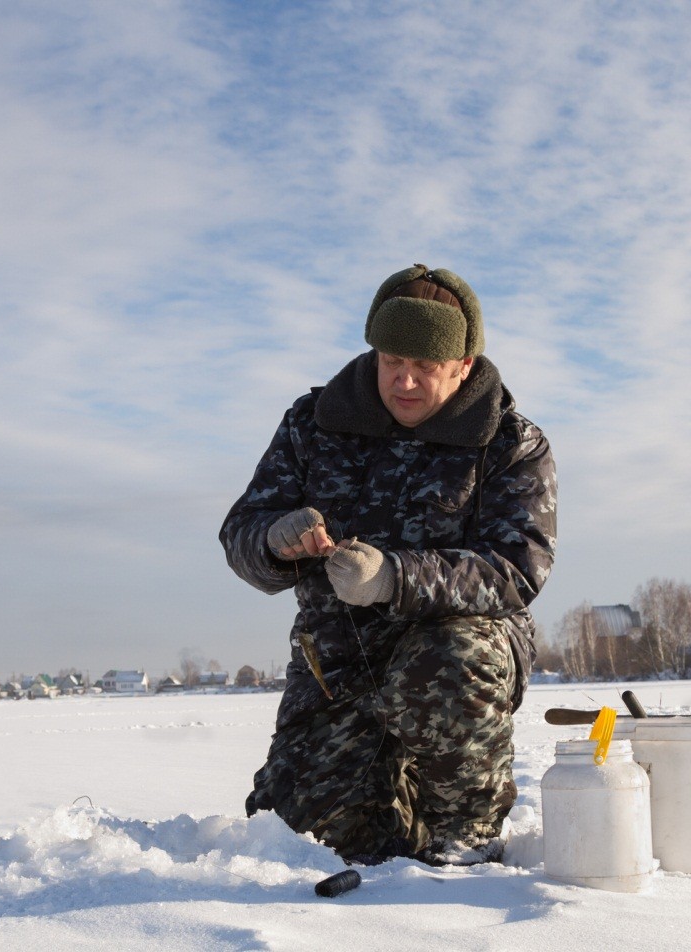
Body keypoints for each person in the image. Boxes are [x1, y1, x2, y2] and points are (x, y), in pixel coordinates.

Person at [219, 264, 557, 865]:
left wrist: (394, 578)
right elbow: (239, 533)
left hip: (455, 657)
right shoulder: (311, 422)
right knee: (302, 838)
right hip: (339, 662)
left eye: (425, 367)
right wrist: (274, 539)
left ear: (463, 366)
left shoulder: (510, 441)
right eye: (391, 360)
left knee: (447, 659)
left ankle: (465, 831)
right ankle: (392, 801)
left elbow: (516, 568)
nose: (404, 381)